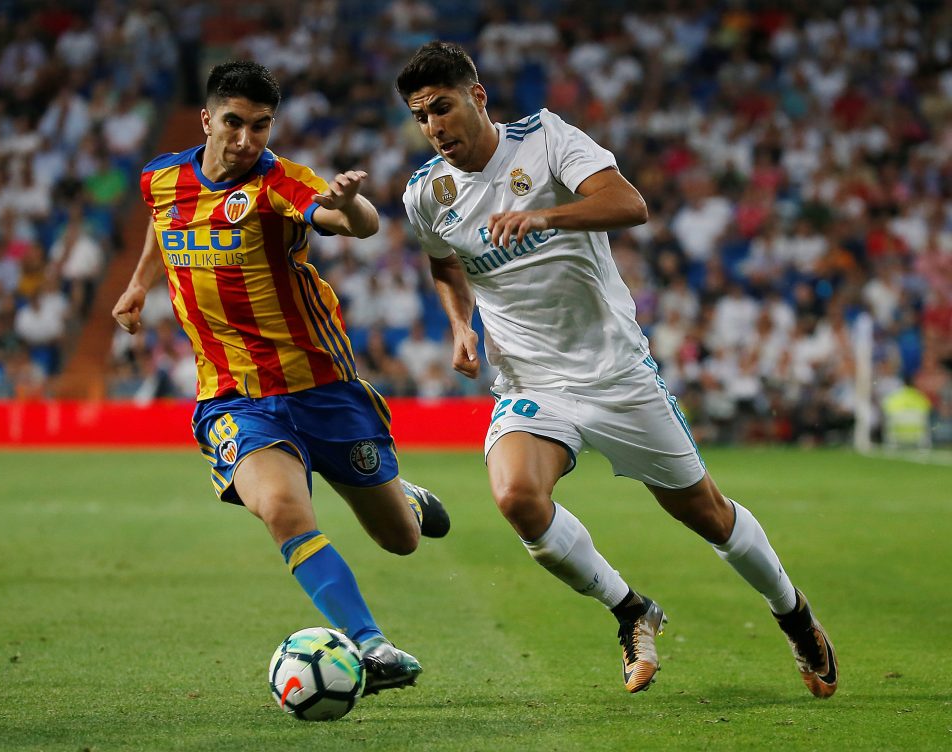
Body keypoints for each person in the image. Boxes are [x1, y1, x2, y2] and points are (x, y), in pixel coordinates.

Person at [396, 41, 837, 698]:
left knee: (708, 514)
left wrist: (544, 213)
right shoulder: (425, 193)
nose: (434, 126)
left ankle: (794, 614)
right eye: (421, 116)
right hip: (532, 381)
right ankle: (631, 610)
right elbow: (442, 266)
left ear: (476, 97)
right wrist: (462, 324)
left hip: (617, 373)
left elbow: (630, 204)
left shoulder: (545, 139)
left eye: (443, 107)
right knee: (517, 496)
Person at [112, 60, 449, 696]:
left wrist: (349, 208)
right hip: (234, 395)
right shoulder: (160, 180)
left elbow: (354, 223)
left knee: (400, 540)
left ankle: (405, 498)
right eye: (234, 124)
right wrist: (136, 286)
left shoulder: (281, 183)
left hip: (320, 385)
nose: (246, 141)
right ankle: (371, 644)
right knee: (281, 507)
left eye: (261, 127)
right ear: (208, 119)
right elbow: (164, 228)